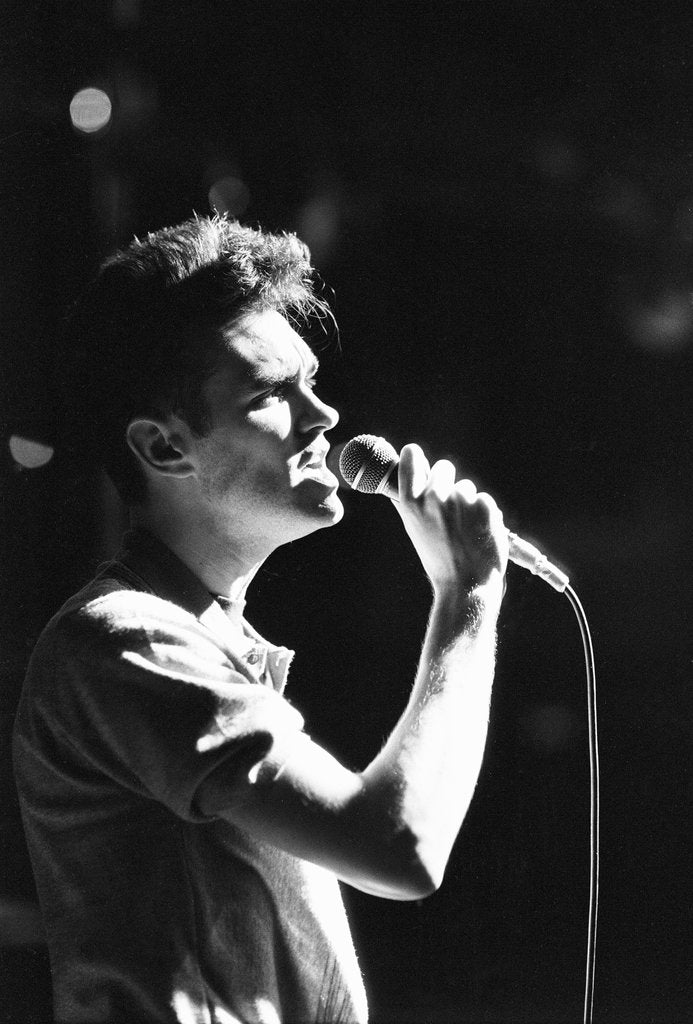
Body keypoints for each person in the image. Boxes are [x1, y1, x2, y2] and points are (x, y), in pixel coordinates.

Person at [13, 213, 509, 1024]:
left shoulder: (205, 638)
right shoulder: (125, 640)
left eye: (310, 381)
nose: (322, 417)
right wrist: (467, 598)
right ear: (164, 447)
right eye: (272, 394)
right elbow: (398, 849)